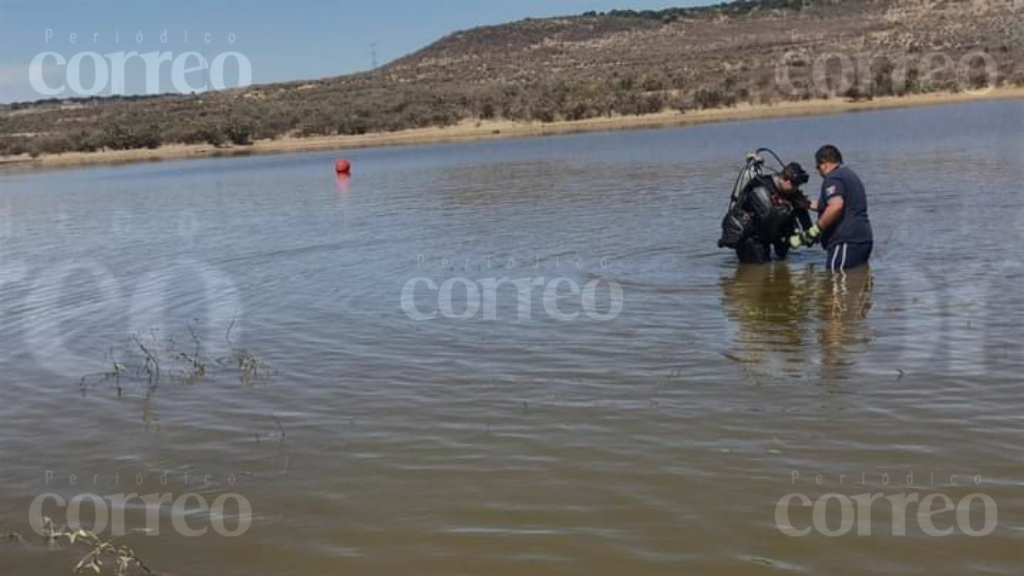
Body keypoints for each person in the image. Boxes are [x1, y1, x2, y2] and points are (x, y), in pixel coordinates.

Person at [733, 162, 814, 264]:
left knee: (781, 268)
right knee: (758, 267)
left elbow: (805, 222)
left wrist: (810, 235)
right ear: (782, 178)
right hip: (752, 236)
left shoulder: (793, 194)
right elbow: (764, 216)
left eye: (798, 185)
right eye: (793, 184)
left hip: (773, 235)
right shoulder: (760, 185)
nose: (795, 188)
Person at [809, 145, 874, 272]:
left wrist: (817, 228)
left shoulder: (833, 178)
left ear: (824, 163)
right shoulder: (848, 175)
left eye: (817, 167)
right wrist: (805, 203)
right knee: (855, 283)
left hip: (845, 241)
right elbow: (834, 205)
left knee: (837, 281)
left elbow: (835, 206)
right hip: (863, 239)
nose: (819, 171)